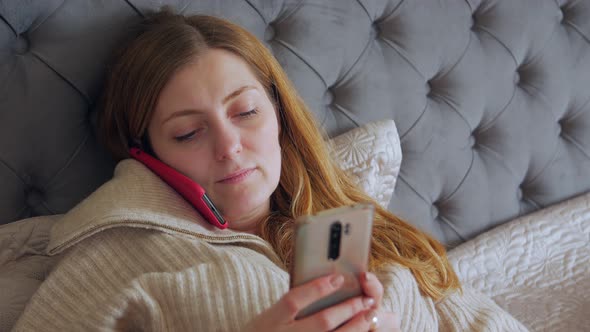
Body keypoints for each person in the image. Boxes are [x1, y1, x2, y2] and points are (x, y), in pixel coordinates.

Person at [13, 8, 528, 332]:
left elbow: (468, 312)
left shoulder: (345, 225)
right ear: (146, 154)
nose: (230, 147)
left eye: (245, 112)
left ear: (280, 115)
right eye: (188, 134)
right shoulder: (116, 257)